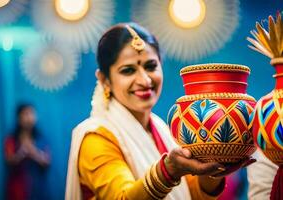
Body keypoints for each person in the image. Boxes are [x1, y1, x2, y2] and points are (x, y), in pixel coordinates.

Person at [66, 22, 253, 200]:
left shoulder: (161, 128)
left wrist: (214, 169)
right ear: (105, 79)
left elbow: (194, 195)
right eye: (128, 70)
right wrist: (169, 170)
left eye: (151, 66)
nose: (145, 80)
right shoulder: (96, 137)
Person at [4, 104, 51, 200]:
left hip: (38, 188)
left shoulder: (41, 138)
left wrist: (33, 152)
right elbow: (9, 161)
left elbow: (47, 161)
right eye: (26, 114)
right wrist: (21, 153)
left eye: (32, 113)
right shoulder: (11, 139)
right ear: (19, 117)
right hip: (18, 189)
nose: (29, 117)